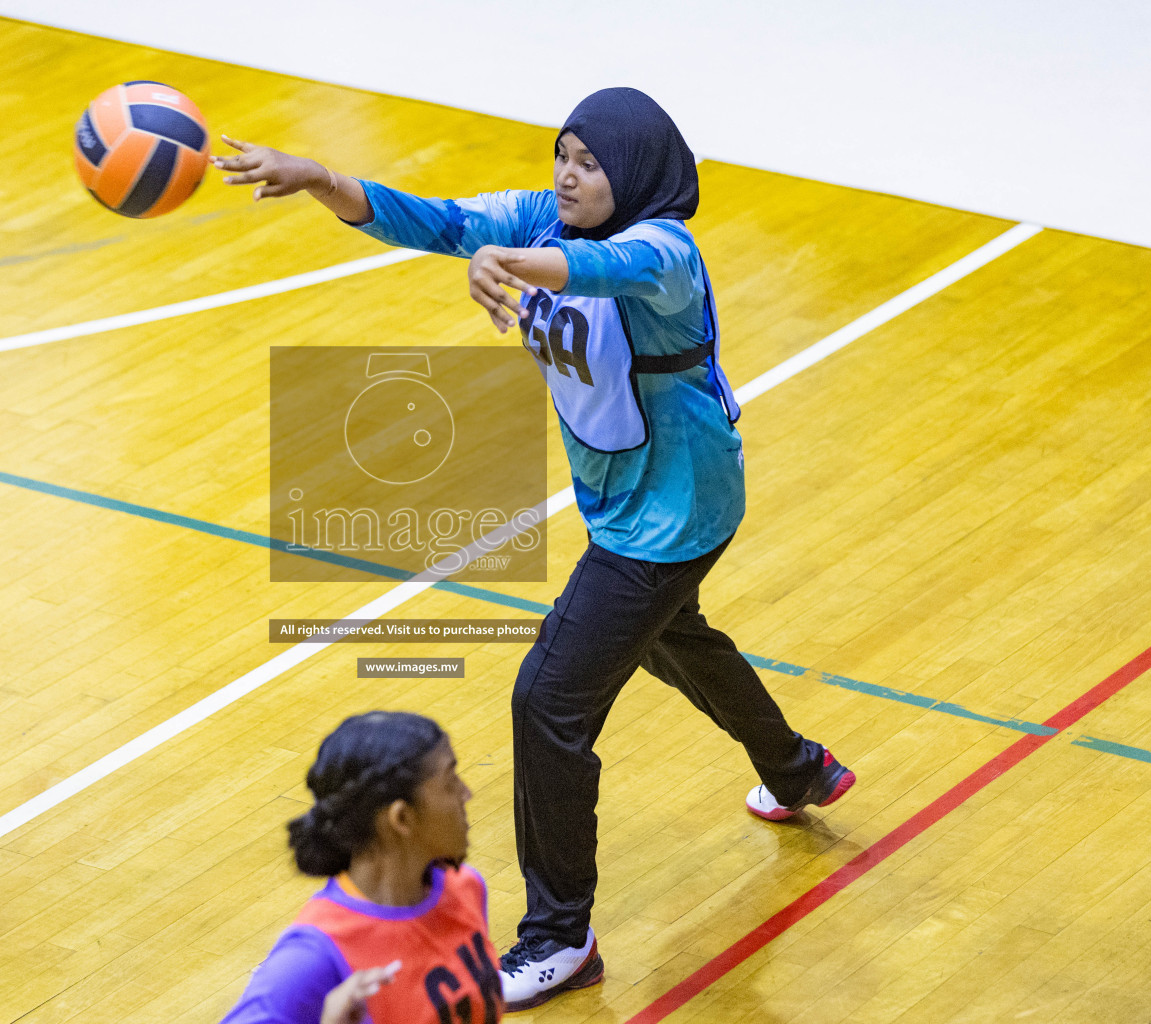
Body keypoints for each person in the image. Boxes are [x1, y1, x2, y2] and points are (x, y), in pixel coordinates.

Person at [214, 86, 856, 1010]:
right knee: (674, 643)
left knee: (548, 700)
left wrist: (507, 259)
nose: (567, 173)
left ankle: (561, 937)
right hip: (629, 502)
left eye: (590, 163)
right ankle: (798, 768)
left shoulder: (666, 251)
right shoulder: (539, 215)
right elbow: (428, 219)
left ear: (634, 173)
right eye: (562, 154)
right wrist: (321, 178)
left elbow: (597, 269)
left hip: (672, 512)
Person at [222, 712, 502, 1024]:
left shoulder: (465, 887)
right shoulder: (312, 958)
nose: (467, 794)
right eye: (450, 782)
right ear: (401, 819)